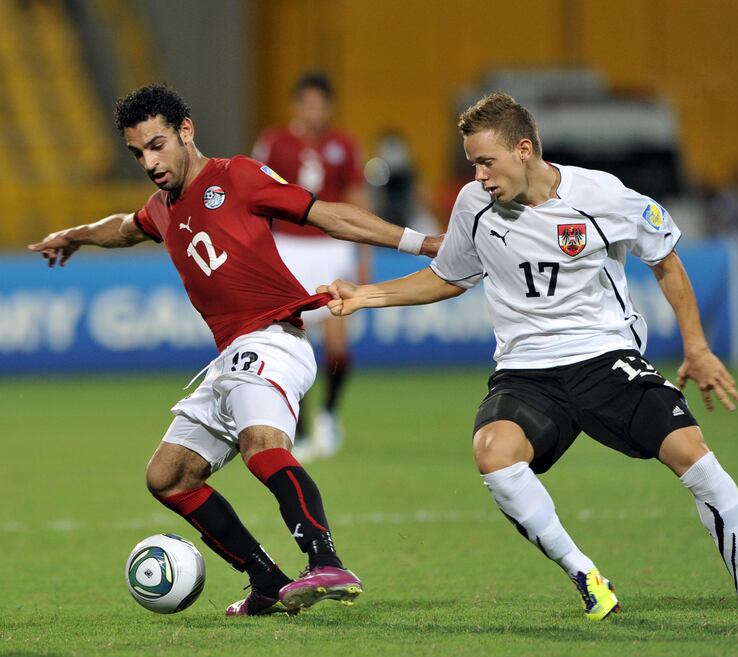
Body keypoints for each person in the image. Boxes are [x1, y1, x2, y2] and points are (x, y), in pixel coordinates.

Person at [319, 93, 738, 621]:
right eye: (473, 164)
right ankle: (585, 575)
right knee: (493, 452)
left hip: (604, 358)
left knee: (693, 454)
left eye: (486, 162)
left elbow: (666, 259)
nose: (478, 176)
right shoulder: (474, 206)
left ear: (524, 150)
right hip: (526, 373)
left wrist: (697, 346)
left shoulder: (601, 195)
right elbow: (448, 277)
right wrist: (367, 296)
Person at [27, 84, 438, 617]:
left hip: (273, 338)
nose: (150, 162)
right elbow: (124, 229)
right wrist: (75, 234)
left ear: (186, 131)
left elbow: (327, 215)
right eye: (138, 153)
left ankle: (325, 561)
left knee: (261, 442)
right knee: (168, 477)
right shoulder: (163, 208)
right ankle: (266, 581)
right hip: (232, 354)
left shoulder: (236, 176)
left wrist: (422, 242)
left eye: (157, 145)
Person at [251, 72, 367, 460]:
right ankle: (298, 428)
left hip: (331, 249)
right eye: (308, 103)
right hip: (288, 248)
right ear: (297, 105)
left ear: (329, 107)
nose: (314, 111)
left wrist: (362, 259)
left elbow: (356, 204)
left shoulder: (344, 145)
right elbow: (256, 199)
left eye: (321, 104)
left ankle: (330, 415)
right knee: (287, 343)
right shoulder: (274, 142)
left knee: (336, 343)